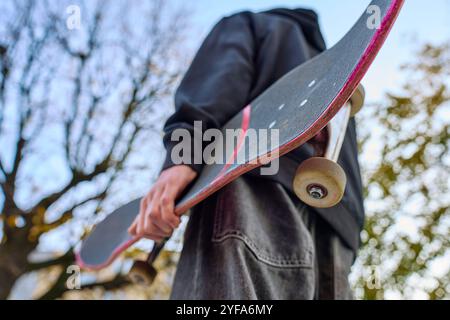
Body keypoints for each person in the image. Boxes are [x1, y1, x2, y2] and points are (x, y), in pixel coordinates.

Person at [129, 8, 365, 300]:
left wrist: (183, 156)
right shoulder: (342, 73)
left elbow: (221, 77)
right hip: (336, 235)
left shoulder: (252, 24)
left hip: (256, 189)